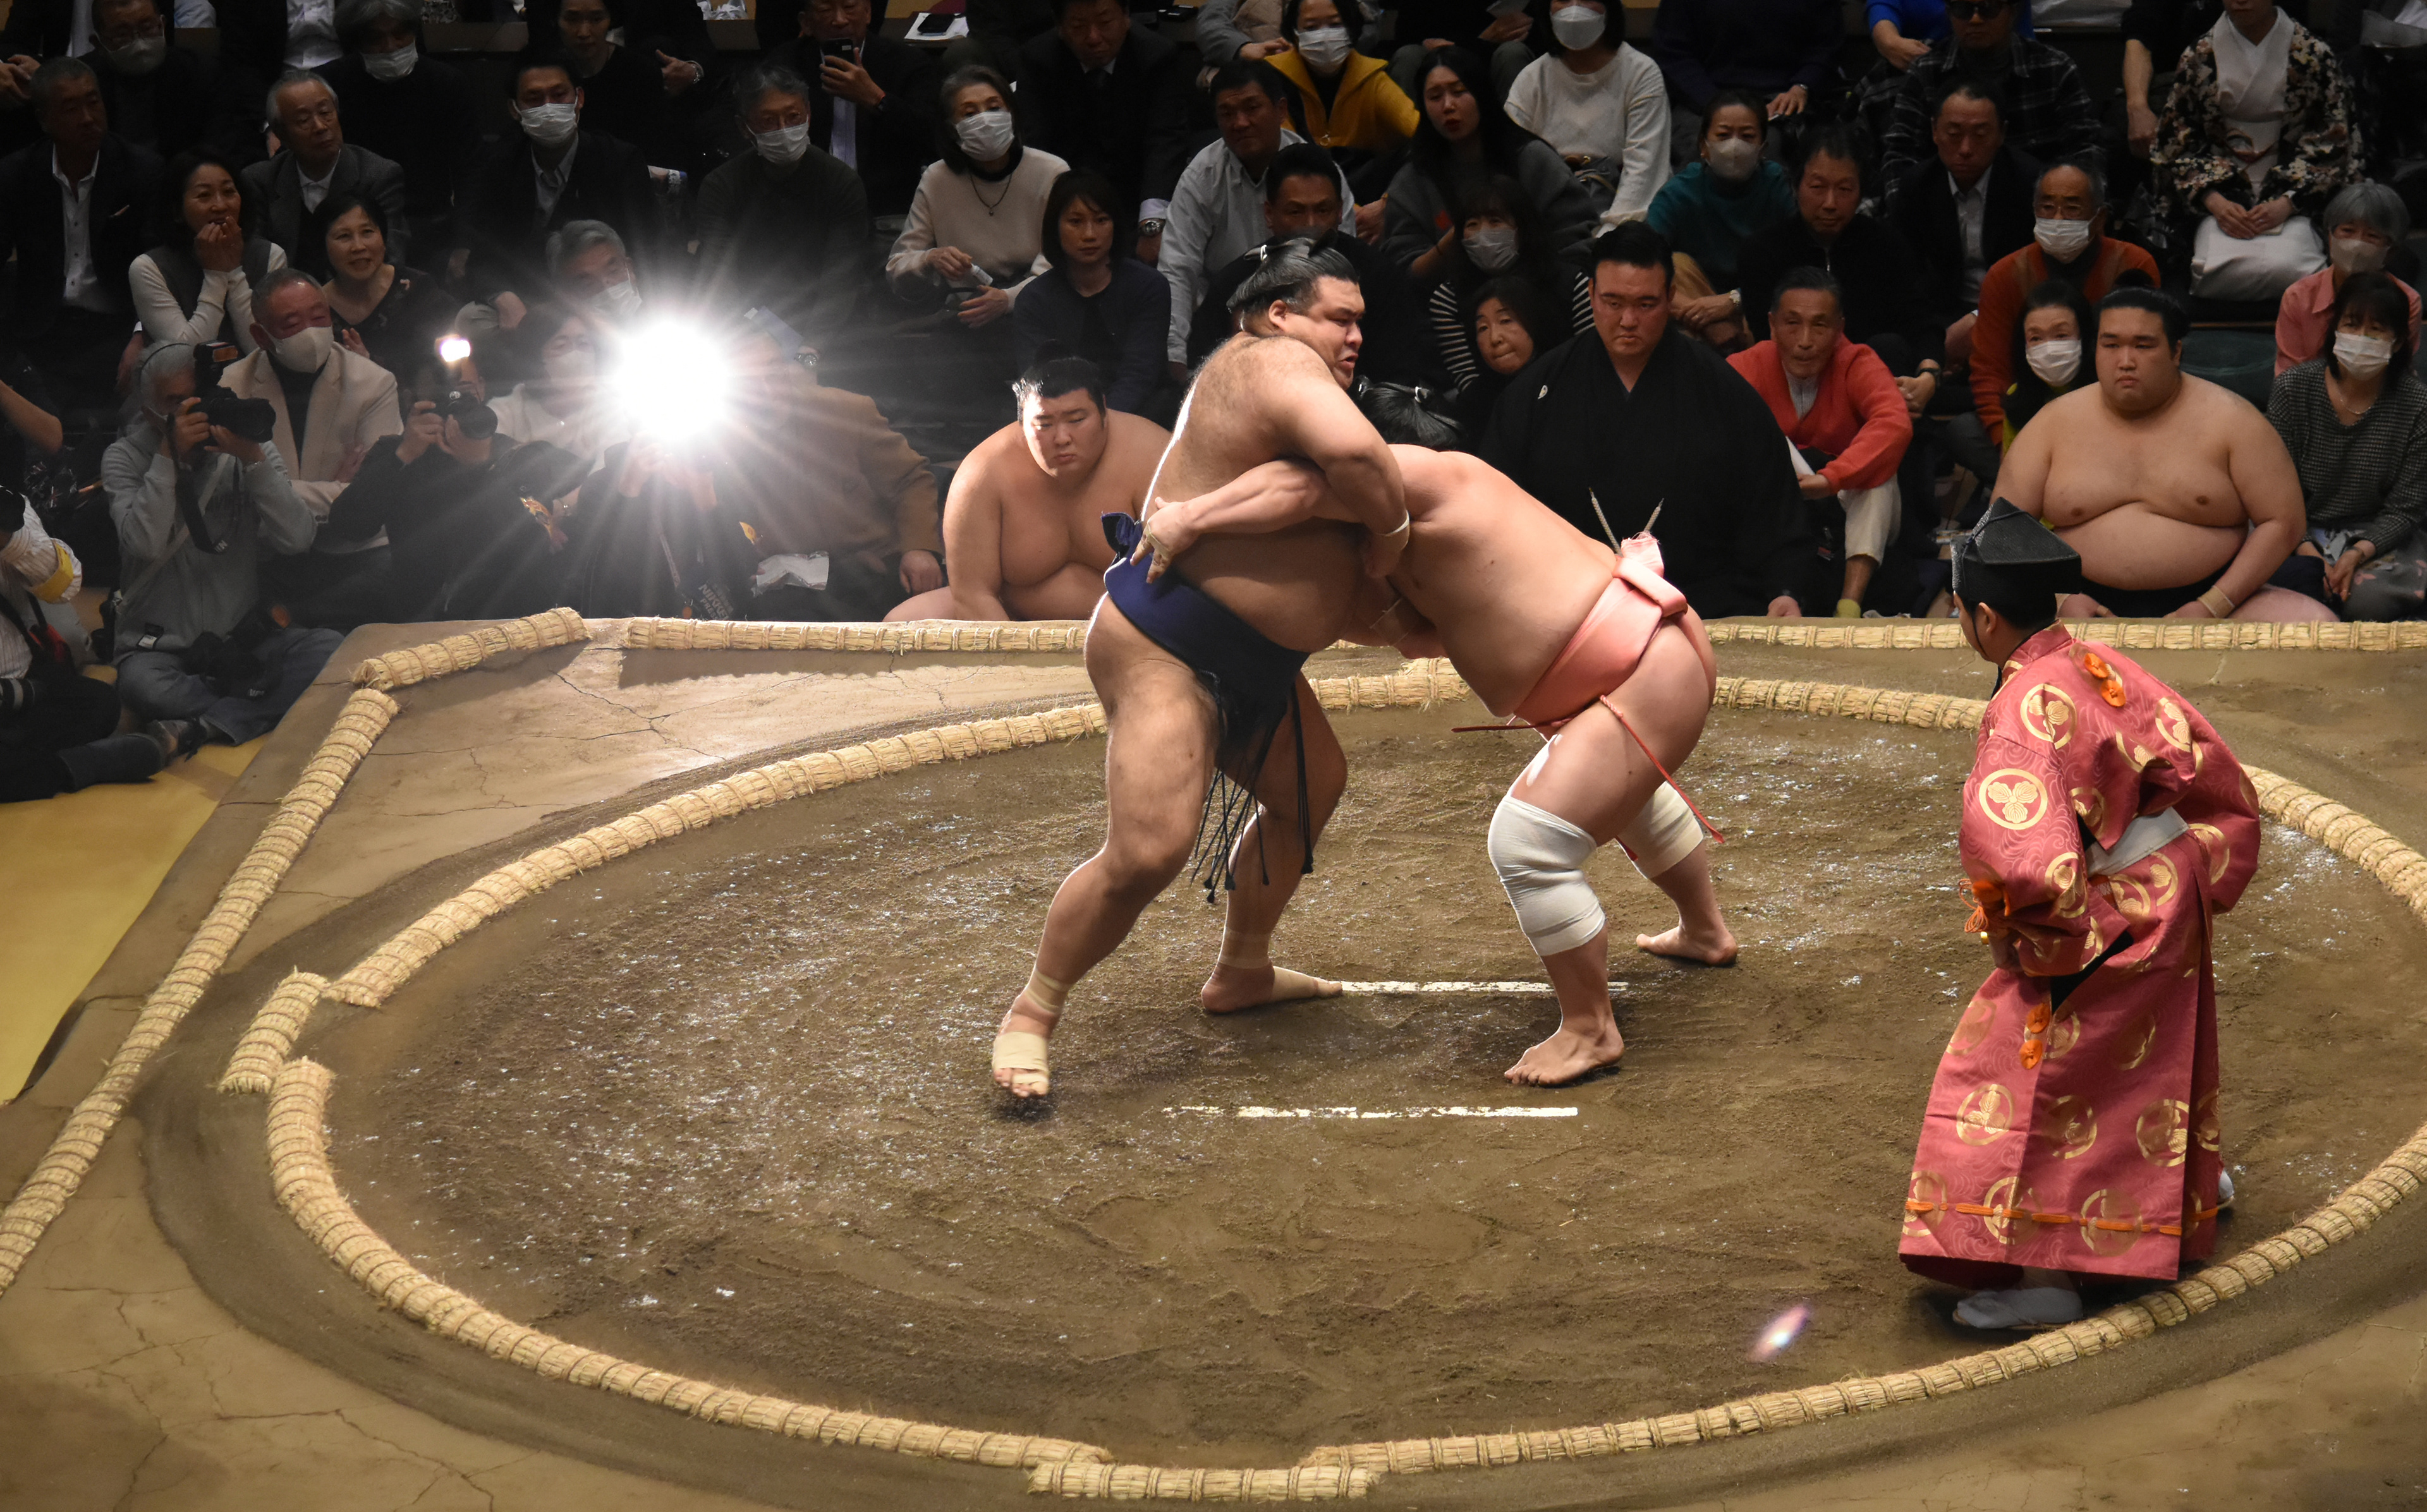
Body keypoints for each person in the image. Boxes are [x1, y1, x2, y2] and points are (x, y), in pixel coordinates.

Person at [1131, 401, 1737, 1085]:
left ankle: (1590, 1029)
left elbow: (1298, 490)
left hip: (1642, 670)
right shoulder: (1416, 540)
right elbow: (1414, 636)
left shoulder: (1423, 472)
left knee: (1528, 841)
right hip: (1638, 668)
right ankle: (1705, 931)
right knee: (1620, 794)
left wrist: (1192, 516)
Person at [987, 239, 1409, 1099]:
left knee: (1311, 784)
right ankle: (1032, 1011)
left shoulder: (1298, 395)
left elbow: (1312, 496)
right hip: (1167, 645)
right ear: (1280, 313)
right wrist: (1393, 532)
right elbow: (1365, 465)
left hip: (1251, 662)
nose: (1356, 335)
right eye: (1341, 317)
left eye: (1363, 321)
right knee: (1149, 849)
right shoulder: (1269, 360)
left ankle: (1243, 970)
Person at [1902, 499, 2260, 1331]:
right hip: (2170, 882)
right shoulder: (2098, 663)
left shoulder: (2022, 711)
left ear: (1983, 617)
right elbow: (2208, 763)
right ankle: (2183, 1185)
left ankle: (2044, 1279)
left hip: (2103, 911)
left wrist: (2049, 940)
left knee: (2024, 1075)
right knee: (2145, 1055)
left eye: (1960, 611)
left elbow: (2023, 858)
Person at [1481, 222, 1810, 618]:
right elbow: (1496, 505)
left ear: (1670, 298)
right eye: (1613, 302)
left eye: (1645, 304)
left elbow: (1772, 507)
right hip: (1566, 604)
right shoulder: (1538, 391)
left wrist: (1784, 589)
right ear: (1591, 295)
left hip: (1698, 605)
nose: (1628, 321)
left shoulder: (1723, 391)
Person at [1998, 286, 2327, 622]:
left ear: (2176, 352)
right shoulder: (2052, 424)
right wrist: (2060, 598)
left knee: (2317, 625)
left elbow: (2283, 521)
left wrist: (2213, 605)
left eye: (2144, 346)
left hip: (2219, 595)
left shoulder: (2233, 420)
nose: (2125, 362)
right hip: (2079, 599)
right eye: (2111, 345)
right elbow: (2002, 528)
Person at [106, 342, 342, 753]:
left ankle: (210, 724)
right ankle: (259, 705)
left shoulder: (245, 447)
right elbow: (143, 544)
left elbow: (298, 538)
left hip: (240, 642)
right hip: (161, 651)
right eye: (175, 402)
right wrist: (167, 457)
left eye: (198, 396)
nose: (192, 410)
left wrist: (253, 461)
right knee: (143, 687)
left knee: (329, 649)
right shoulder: (124, 458)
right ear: (148, 413)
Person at [889, 355, 1166, 621]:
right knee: (901, 622)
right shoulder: (983, 473)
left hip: (1138, 620)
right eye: (1044, 424)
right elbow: (974, 593)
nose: (1062, 438)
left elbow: (1190, 574)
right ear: (1022, 422)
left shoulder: (1153, 454)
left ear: (1103, 411)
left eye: (1077, 420)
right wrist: (1013, 663)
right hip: (1013, 615)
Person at [697, 329, 946, 622]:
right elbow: (730, 537)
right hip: (794, 577)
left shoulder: (843, 409)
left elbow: (911, 478)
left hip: (876, 564)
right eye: (748, 384)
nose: (767, 391)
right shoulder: (717, 441)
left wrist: (918, 548)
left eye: (773, 373)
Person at [320, 375, 590, 623]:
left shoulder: (511, 455)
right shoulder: (399, 455)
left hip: (501, 614)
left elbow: (536, 541)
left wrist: (481, 467)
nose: (459, 426)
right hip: (417, 614)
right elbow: (348, 526)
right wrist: (402, 455)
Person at [220, 268, 402, 623]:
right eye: (291, 324)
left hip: (354, 550)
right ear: (261, 334)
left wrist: (271, 491)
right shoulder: (232, 387)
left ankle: (294, 621)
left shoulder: (373, 383)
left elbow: (375, 496)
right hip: (268, 553)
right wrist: (340, 491)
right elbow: (231, 497)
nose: (311, 332)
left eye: (319, 318)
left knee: (394, 574)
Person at [1729, 268, 1915, 614]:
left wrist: (1831, 479)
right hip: (1774, 498)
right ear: (1771, 325)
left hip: (1844, 501)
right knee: (1757, 428)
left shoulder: (1857, 361)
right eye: (1792, 323)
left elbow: (1895, 422)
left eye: (1819, 325)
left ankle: (1849, 605)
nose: (1804, 340)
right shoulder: (1743, 367)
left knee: (1879, 480)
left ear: (1839, 329)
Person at [2150, 0, 2358, 302]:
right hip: (2221, 191)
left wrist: (2288, 203)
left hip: (2294, 192)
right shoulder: (2199, 56)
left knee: (2292, 267)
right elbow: (2178, 140)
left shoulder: (2313, 55)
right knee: (2214, 270)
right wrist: (2215, 201)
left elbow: (2333, 138)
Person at [1159, 63, 1354, 373]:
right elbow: (1178, 269)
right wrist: (1175, 356)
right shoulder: (1202, 175)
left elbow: (1343, 260)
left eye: (1252, 108)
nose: (1240, 123)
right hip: (1223, 317)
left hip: (1309, 315)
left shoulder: (1317, 171)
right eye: (1227, 113)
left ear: (1280, 110)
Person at [1183, 148, 1432, 386]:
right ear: (1269, 214)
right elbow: (1205, 373)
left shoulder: (1378, 276)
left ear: (1340, 212)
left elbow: (1400, 378)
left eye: (1323, 210)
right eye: (1296, 211)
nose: (1311, 224)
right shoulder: (1236, 283)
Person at [0, 58, 159, 411]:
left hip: (116, 325)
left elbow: (159, 265)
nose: (88, 118)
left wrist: (140, 335)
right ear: (44, 120)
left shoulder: (142, 170)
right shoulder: (16, 175)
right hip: (39, 328)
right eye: (71, 108)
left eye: (93, 102)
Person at [2266, 273, 2427, 621]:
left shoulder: (2417, 404)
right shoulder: (2294, 388)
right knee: (2292, 588)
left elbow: (2407, 508)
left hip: (2378, 536)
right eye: (2352, 325)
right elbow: (2270, 488)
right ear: (2335, 329)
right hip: (2294, 529)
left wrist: (2356, 554)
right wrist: (2307, 551)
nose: (2361, 339)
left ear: (2398, 342)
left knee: (2368, 601)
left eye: (2376, 331)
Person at [1737, 121, 1945, 389]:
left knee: (1889, 347)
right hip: (1794, 384)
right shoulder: (1762, 252)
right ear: (1795, 185)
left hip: (1875, 388)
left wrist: (1929, 374)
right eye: (1818, 187)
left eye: (1845, 189)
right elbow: (1769, 339)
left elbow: (1920, 320)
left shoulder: (1888, 246)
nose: (1830, 203)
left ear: (1861, 193)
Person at [1969, 162, 2160, 452]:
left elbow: (2146, 356)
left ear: (2100, 217)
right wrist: (2008, 444)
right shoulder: (2004, 275)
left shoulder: (2133, 265)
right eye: (2046, 207)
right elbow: (1990, 371)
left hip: (2114, 417)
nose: (2057, 218)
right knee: (1964, 432)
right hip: (2029, 417)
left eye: (2072, 208)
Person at [1, 492, 173, 801]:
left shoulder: (10, 503)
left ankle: (23, 759)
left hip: (25, 684)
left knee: (100, 703)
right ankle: (81, 764)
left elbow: (67, 587)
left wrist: (10, 541)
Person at [455, 59, 656, 315]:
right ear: (515, 109)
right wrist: (502, 297)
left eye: (559, 95)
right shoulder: (497, 165)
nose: (548, 107)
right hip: (528, 294)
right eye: (534, 98)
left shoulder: (619, 161)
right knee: (472, 319)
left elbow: (647, 244)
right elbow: (483, 255)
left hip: (603, 294)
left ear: (579, 98)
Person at [1381, 47, 1595, 282]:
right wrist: (1457, 239)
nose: (1448, 106)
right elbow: (1403, 272)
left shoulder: (1533, 160)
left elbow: (1577, 247)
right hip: (1447, 305)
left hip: (1541, 296)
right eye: (1434, 97)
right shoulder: (1414, 179)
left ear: (1482, 94)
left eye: (1459, 91)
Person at [885, 67, 1068, 338]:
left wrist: (1009, 299)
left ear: (1012, 114)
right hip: (965, 315)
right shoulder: (937, 179)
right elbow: (896, 266)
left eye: (994, 108)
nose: (985, 120)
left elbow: (1062, 258)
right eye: (969, 114)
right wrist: (929, 258)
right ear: (952, 128)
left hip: (1038, 308)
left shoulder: (1052, 171)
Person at [697, 65, 870, 349]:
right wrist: (752, 345)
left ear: (809, 114)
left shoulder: (842, 182)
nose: (784, 130)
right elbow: (719, 280)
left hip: (829, 327)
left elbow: (839, 280)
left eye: (793, 117)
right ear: (745, 128)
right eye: (768, 121)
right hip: (745, 327)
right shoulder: (721, 187)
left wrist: (810, 352)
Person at [1887, 77, 2040, 372]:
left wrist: (1981, 319)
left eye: (1980, 135)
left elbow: (2036, 275)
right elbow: (1909, 278)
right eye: (1954, 134)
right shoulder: (1916, 186)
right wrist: (1936, 339)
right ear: (1934, 131)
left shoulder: (2030, 183)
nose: (1966, 149)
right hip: (1943, 315)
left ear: (2002, 134)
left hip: (2015, 314)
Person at [1878, 0, 2100, 197]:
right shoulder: (1925, 72)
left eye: (1989, 9)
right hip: (1943, 218)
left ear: (2012, 12)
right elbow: (1900, 155)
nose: (1975, 19)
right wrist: (1905, 213)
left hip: (2040, 213)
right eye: (1963, 9)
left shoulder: (2055, 69)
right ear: (1949, 13)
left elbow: (2085, 152)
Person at [314, 0, 481, 259]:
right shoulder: (328, 88)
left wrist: (464, 244)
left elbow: (470, 172)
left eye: (400, 33)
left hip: (431, 226)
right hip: (354, 231)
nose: (391, 46)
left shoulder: (448, 84)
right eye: (375, 38)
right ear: (356, 42)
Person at [1013, 0, 1191, 232]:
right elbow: (1035, 141)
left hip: (1137, 188)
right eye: (1078, 26)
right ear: (1060, 28)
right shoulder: (1037, 60)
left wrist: (1152, 221)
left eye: (1105, 23)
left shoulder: (1156, 56)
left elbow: (1166, 139)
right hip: (1067, 190)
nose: (1094, 38)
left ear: (1126, 17)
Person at [1014, 169, 1172, 416]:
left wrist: (1102, 421)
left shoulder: (1149, 286)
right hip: (1064, 417)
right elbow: (1039, 380)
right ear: (1055, 228)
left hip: (1141, 413)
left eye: (1101, 220)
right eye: (1076, 222)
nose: (1089, 234)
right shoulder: (1034, 299)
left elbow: (1141, 374)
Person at [1645, 91, 1793, 351]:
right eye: (1723, 136)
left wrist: (1733, 302)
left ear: (1763, 148)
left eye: (1747, 137)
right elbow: (1639, 258)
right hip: (1695, 308)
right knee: (1673, 266)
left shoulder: (1778, 185)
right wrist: (1704, 320)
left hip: (1756, 302)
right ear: (1703, 145)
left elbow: (1797, 262)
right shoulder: (1680, 192)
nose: (1735, 146)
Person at [765, 0, 938, 219]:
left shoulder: (907, 63)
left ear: (867, 13)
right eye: (825, 10)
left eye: (849, 7)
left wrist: (876, 99)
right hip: (806, 211)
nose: (840, 20)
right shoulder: (785, 63)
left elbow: (932, 137)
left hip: (885, 210)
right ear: (806, 23)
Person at [1501, 0, 1669, 224]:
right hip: (1550, 216)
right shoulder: (1532, 79)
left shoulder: (1641, 73)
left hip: (1623, 214)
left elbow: (1644, 170)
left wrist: (1610, 234)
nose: (1574, 10)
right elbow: (1510, 162)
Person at [1425, 174, 1591, 394]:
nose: (1483, 234)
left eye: (1495, 222)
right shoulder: (1448, 298)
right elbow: (1468, 383)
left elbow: (1592, 363)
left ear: (1522, 228)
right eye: (1472, 224)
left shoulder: (1573, 282)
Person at [241, 70, 408, 272]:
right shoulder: (259, 181)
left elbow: (391, 257)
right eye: (303, 120)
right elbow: (254, 260)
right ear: (281, 134)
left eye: (326, 113)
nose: (320, 127)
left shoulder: (379, 176)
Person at [132, 147, 288, 353]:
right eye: (204, 195)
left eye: (229, 192)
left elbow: (262, 349)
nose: (220, 205)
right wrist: (216, 275)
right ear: (177, 211)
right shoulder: (148, 268)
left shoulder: (271, 256)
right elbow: (186, 355)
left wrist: (233, 272)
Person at [1265, 0, 1418, 195]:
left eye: (1336, 25)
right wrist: (1349, 212)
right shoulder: (1275, 76)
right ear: (1294, 32)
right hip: (1301, 188)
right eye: (1311, 27)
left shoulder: (1372, 76)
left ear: (1351, 28)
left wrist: (1385, 205)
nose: (1325, 36)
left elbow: (1419, 130)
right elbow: (1286, 157)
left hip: (1365, 189)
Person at [2274, 181, 2419, 373]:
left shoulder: (2408, 302)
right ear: (2330, 238)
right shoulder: (2298, 297)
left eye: (2372, 235)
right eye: (2348, 231)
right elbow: (2288, 377)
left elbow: (2399, 373)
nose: (2357, 243)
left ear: (2390, 251)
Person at [312, 190, 451, 389]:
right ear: (324, 247)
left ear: (384, 239)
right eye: (344, 236)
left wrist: (369, 364)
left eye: (367, 232)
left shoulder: (418, 290)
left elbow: (438, 369)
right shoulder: (315, 308)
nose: (358, 247)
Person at [1648, 0, 1839, 145]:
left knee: (1772, 146)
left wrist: (1802, 86)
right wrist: (1715, 104)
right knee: (1709, 146)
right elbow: (1673, 54)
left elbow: (1827, 46)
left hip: (1786, 100)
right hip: (1705, 101)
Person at [81, 0, 243, 164]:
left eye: (148, 28)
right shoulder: (82, 84)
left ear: (163, 25)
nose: (140, 45)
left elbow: (219, 151)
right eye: (123, 35)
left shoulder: (202, 74)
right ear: (98, 43)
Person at [551, 0, 705, 171]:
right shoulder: (547, 74)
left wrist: (693, 71)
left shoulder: (640, 73)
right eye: (572, 20)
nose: (584, 32)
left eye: (596, 19)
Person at [487, 304, 630, 478]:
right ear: (534, 358)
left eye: (584, 344)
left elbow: (610, 473)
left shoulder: (609, 405)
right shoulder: (506, 410)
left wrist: (561, 505)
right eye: (561, 346)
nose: (576, 355)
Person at [1456, 274, 1568, 428]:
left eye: (1505, 321)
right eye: (1483, 328)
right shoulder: (1474, 402)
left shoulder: (1567, 379)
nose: (1494, 338)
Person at [1997, 278, 2093, 445]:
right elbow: (2012, 467)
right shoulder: (2018, 397)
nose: (2049, 348)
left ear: (2084, 337)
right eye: (2036, 338)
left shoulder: (2108, 392)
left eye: (2061, 335)